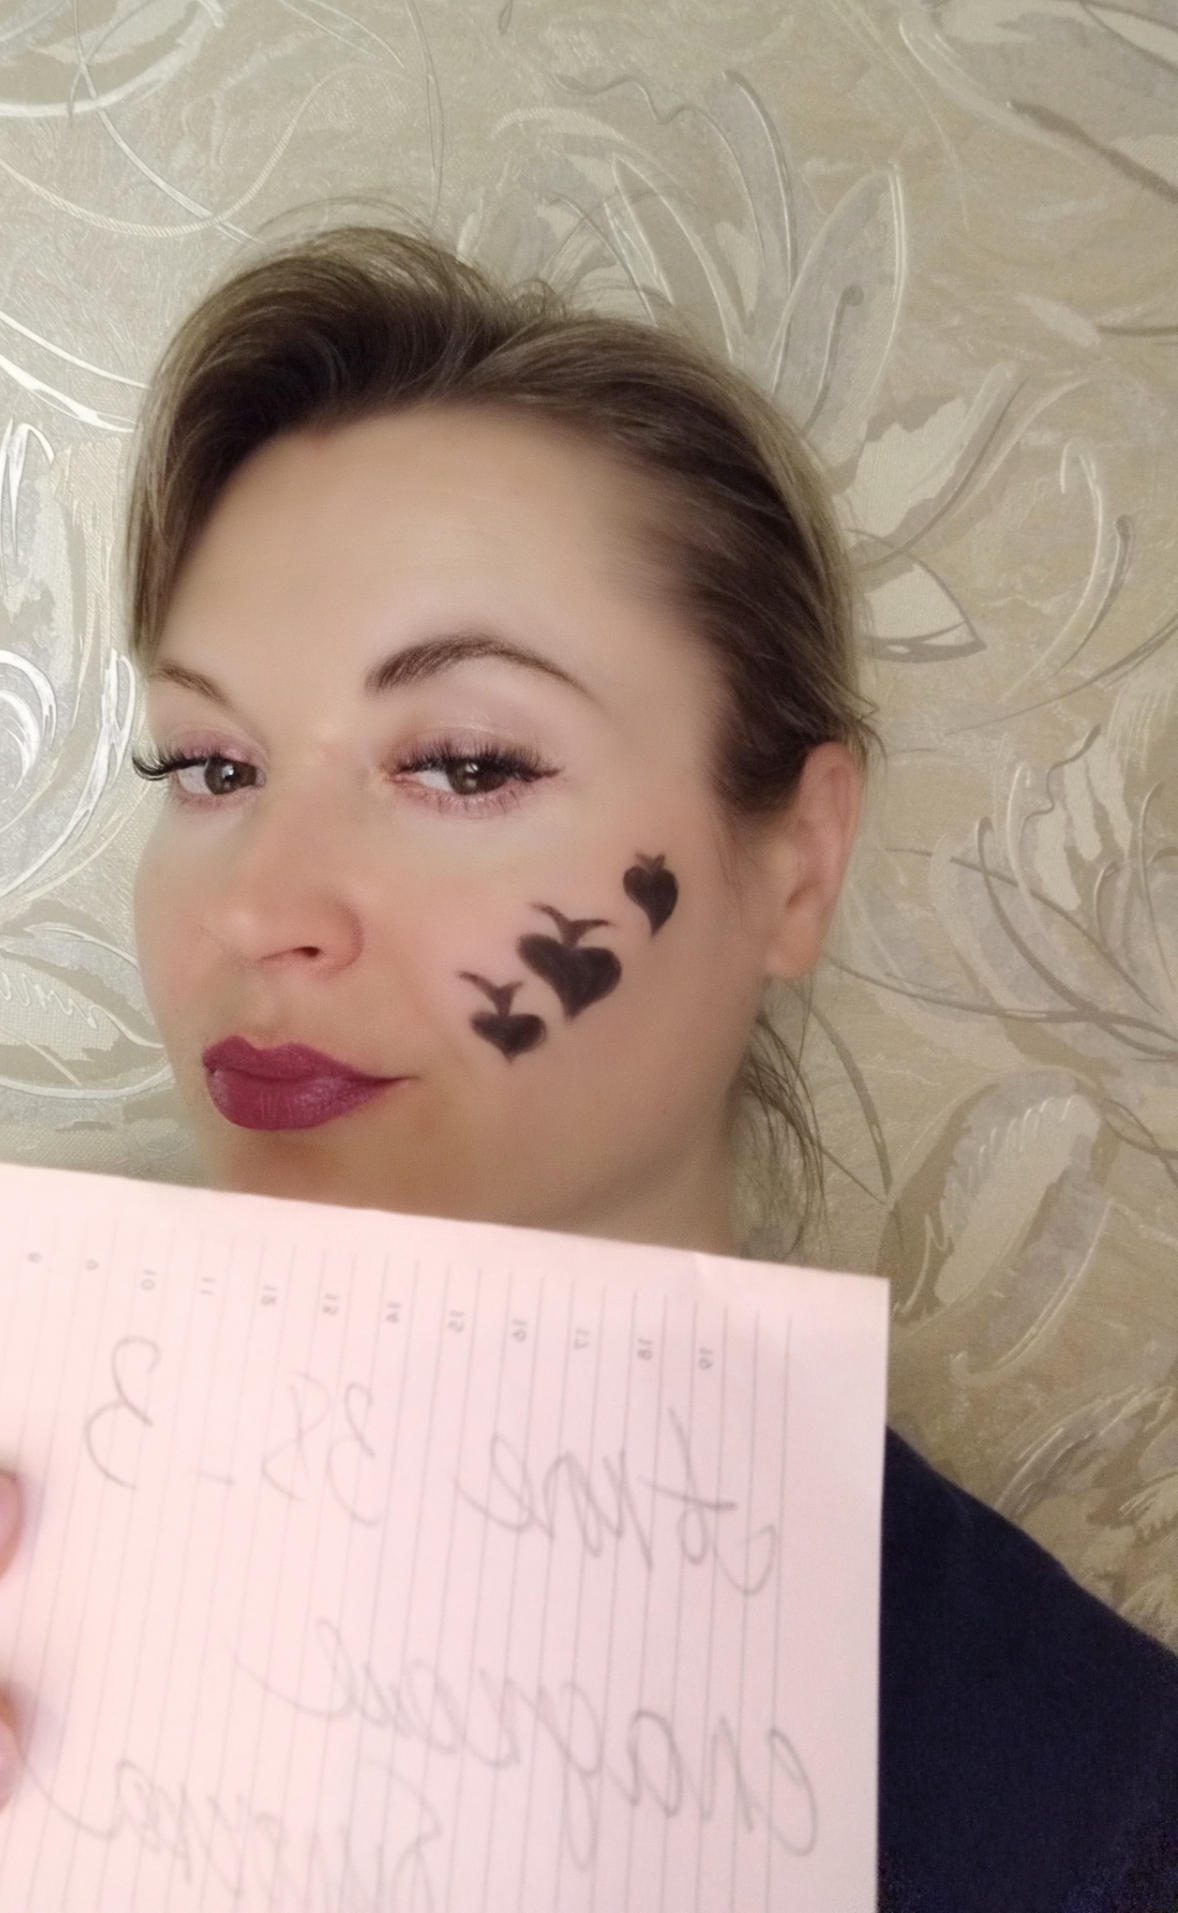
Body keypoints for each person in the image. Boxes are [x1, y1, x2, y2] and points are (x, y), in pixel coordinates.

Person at [0, 226, 1175, 1909]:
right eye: (209, 763)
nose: (255, 906)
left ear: (794, 859)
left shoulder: (1089, 1809)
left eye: (466, 762)